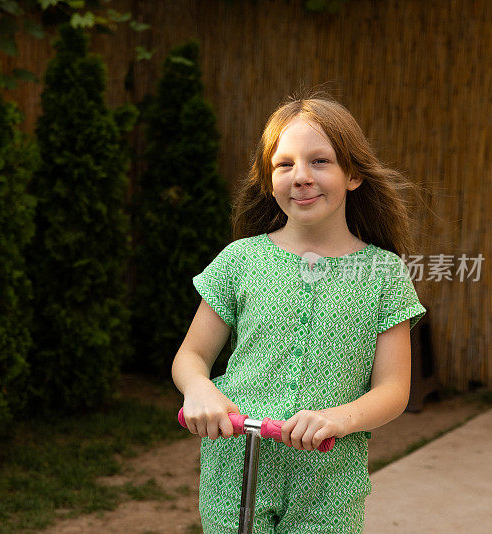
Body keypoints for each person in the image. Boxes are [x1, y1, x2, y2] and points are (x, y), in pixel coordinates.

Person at [172, 93, 427, 533]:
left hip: (328, 474)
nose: (301, 177)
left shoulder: (383, 273)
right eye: (284, 164)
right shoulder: (240, 260)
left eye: (320, 161)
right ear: (268, 180)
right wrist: (199, 390)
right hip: (237, 463)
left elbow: (393, 389)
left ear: (353, 174)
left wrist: (337, 419)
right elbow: (190, 356)